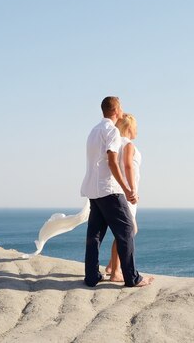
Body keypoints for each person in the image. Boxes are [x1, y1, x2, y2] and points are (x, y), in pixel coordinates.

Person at [80, 96, 153, 287]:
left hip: (92, 190)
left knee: (94, 235)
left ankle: (91, 276)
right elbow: (112, 161)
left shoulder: (93, 131)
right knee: (127, 229)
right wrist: (127, 188)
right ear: (116, 110)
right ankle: (132, 278)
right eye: (121, 108)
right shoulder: (111, 131)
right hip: (109, 189)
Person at [105, 113, 141, 281]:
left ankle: (112, 266)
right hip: (126, 193)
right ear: (129, 127)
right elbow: (128, 167)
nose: (137, 131)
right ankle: (115, 271)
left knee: (127, 231)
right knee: (128, 231)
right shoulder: (128, 144)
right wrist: (132, 190)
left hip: (119, 190)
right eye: (136, 127)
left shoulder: (116, 144)